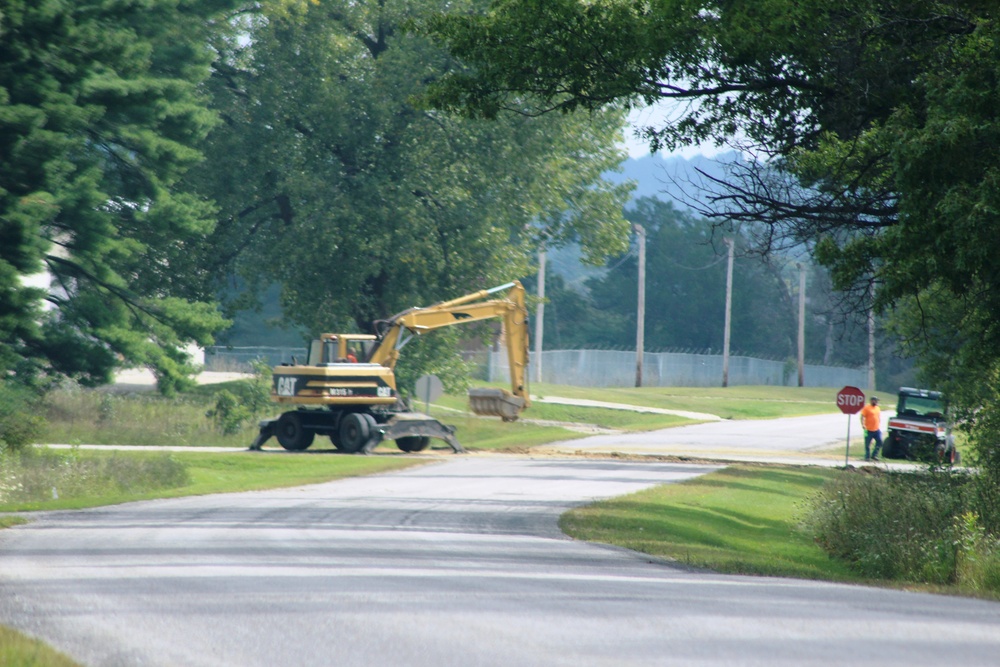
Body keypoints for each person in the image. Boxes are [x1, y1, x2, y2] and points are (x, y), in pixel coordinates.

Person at [860, 396, 882, 461]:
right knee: (867, 444)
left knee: (880, 441)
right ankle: (867, 457)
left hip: (876, 429)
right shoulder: (866, 408)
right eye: (875, 400)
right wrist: (863, 424)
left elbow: (878, 417)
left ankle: (874, 455)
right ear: (872, 400)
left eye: (877, 401)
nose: (877, 402)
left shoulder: (878, 408)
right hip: (868, 429)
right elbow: (862, 417)